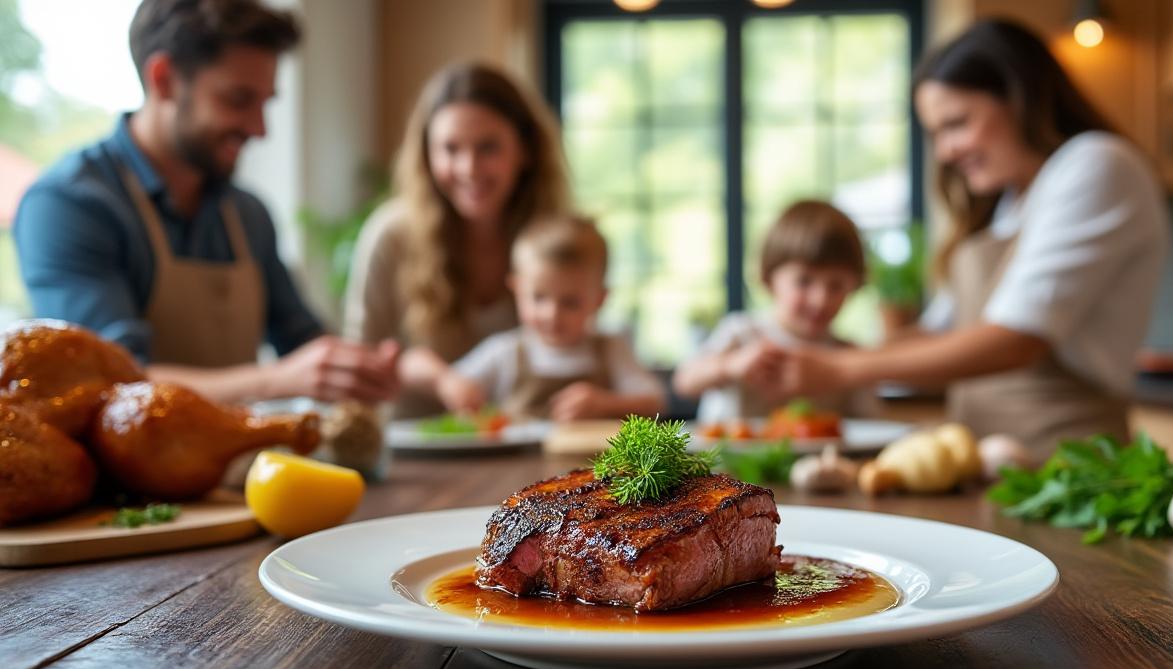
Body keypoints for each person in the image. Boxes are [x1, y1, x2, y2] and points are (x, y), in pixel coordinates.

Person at [776, 19, 1169, 460]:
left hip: (1069, 469)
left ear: (1021, 98)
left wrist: (840, 368)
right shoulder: (1003, 205)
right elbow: (940, 334)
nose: (944, 152)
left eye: (957, 123)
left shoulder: (1097, 164)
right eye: (936, 133)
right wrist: (811, 352)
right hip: (986, 468)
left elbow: (1018, 337)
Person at [14, 0, 397, 404]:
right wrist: (276, 381)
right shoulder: (69, 205)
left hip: (240, 466)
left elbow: (300, 338)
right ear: (163, 79)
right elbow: (109, 382)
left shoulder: (247, 214)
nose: (259, 128)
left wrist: (362, 367)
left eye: (266, 103)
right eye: (238, 100)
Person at [345, 63, 569, 417]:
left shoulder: (556, 241)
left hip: (524, 449)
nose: (469, 168)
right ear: (427, 156)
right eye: (450, 149)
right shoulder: (390, 236)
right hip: (414, 455)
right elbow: (360, 364)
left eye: (488, 148)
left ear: (525, 151)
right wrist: (436, 379)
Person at [439, 215, 665, 421]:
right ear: (516, 289)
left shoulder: (612, 348)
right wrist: (461, 393)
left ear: (600, 300)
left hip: (594, 464)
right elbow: (455, 384)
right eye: (538, 298)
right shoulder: (504, 351)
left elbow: (655, 403)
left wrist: (605, 404)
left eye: (570, 302)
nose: (552, 314)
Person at [673, 200, 879, 421]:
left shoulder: (849, 356)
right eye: (804, 281)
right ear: (769, 279)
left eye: (836, 285)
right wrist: (730, 365)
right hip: (726, 455)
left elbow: (869, 423)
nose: (820, 299)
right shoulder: (742, 333)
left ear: (854, 286)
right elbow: (685, 381)